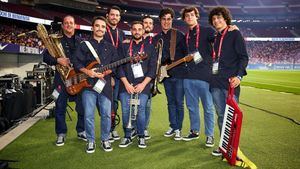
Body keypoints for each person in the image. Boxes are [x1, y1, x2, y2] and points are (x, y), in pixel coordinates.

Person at [73, 16, 119, 153]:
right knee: (88, 114)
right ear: (93, 28)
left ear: (105, 29)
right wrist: (88, 72)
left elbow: (114, 66)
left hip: (104, 86)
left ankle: (105, 139)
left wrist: (105, 73)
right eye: (97, 26)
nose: (100, 28)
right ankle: (91, 140)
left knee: (106, 114)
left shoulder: (111, 47)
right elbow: (76, 63)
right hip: (88, 86)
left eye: (103, 26)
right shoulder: (84, 45)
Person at [208, 7, 248, 156]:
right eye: (214, 19)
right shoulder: (216, 37)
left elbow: (244, 57)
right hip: (216, 83)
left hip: (230, 83)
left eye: (219, 18)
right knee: (221, 116)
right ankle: (223, 146)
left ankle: (234, 148)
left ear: (225, 19)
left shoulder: (234, 34)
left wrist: (239, 76)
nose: (216, 21)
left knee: (232, 116)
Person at [43, 15, 86, 146]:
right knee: (60, 107)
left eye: (71, 23)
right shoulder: (56, 39)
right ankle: (61, 134)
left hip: (78, 79)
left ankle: (81, 130)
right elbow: (45, 56)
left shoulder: (81, 42)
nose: (68, 25)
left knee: (82, 106)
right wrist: (57, 60)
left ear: (75, 25)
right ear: (62, 26)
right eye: (66, 23)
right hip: (61, 79)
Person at [118, 21, 157, 148]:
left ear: (143, 31)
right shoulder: (124, 47)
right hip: (126, 85)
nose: (137, 31)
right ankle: (127, 136)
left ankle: (141, 136)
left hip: (143, 86)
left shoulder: (150, 48)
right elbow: (119, 67)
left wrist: (143, 85)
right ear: (131, 30)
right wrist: (126, 83)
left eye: (139, 29)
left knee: (141, 110)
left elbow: (152, 69)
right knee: (125, 110)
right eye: (134, 29)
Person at [181, 6, 215, 147]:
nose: (189, 17)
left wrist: (230, 29)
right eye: (187, 16)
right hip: (188, 77)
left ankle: (210, 135)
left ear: (197, 16)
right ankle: (194, 131)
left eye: (192, 15)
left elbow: (219, 40)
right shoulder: (185, 36)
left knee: (208, 107)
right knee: (192, 106)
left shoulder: (207, 31)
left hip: (205, 77)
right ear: (184, 19)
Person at [154, 8, 187, 141]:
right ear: (160, 21)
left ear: (172, 20)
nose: (166, 21)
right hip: (165, 76)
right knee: (170, 103)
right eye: (164, 19)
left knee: (179, 102)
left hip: (179, 75)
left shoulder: (179, 35)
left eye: (169, 19)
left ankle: (178, 128)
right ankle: (172, 126)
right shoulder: (156, 38)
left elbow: (186, 54)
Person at [104, 5, 125, 142]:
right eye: (112, 15)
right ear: (107, 16)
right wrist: (109, 75)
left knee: (115, 102)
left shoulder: (121, 33)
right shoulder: (103, 31)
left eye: (117, 15)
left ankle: (112, 128)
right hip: (105, 73)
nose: (115, 17)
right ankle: (108, 129)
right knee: (107, 102)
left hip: (118, 72)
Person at [142, 15, 155, 140]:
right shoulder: (133, 40)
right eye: (145, 23)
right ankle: (134, 127)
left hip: (148, 78)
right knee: (133, 104)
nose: (147, 25)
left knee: (146, 104)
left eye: (150, 23)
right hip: (133, 78)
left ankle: (144, 128)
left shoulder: (156, 40)